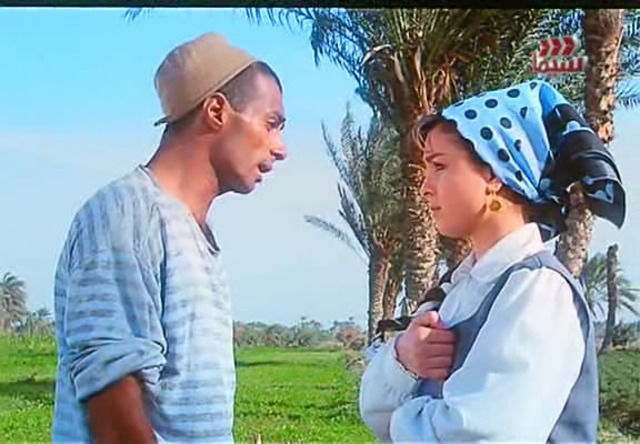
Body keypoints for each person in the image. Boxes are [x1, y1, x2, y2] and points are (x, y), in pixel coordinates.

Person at [359, 80, 626, 442]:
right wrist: (403, 360)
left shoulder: (539, 290)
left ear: (494, 173)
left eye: (439, 166)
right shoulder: (462, 286)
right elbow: (375, 410)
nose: (425, 187)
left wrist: (400, 417)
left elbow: (481, 434)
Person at [52, 32, 287, 443]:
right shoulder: (125, 216)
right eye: (271, 124)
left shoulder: (189, 230)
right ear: (216, 110)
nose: (280, 148)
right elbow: (114, 413)